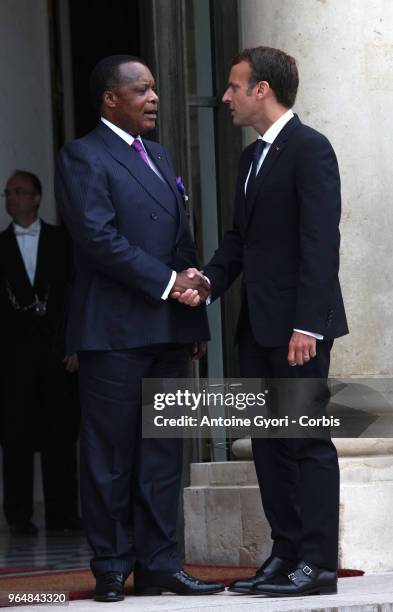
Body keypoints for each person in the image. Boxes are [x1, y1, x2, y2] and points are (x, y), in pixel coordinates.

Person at [173, 46, 348, 597]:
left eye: (233, 87)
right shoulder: (252, 159)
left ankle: (317, 565)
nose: (225, 97)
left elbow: (321, 245)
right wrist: (207, 284)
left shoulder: (310, 149)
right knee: (269, 444)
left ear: (262, 90)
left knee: (307, 442)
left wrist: (308, 326)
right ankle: (286, 553)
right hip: (257, 327)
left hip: (299, 330)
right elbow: (238, 242)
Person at [54, 55, 223, 602]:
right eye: (143, 89)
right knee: (110, 455)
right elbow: (98, 239)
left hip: (167, 331)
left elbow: (180, 236)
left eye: (154, 89)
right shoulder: (82, 155)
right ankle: (110, 565)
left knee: (162, 456)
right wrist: (169, 282)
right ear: (111, 98)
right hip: (114, 333)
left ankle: (159, 564)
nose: (154, 97)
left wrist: (190, 304)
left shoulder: (158, 153)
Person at [0, 170, 81, 536]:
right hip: (12, 357)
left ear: (36, 198)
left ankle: (63, 512)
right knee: (15, 435)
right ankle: (18, 515)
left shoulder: (62, 241)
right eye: (7, 193)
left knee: (59, 435)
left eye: (18, 192)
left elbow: (76, 297)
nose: (10, 198)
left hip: (56, 353)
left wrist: (75, 343)